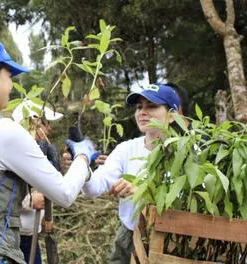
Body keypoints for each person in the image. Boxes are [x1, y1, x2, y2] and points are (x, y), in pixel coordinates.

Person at [0, 33, 98, 264]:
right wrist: (83, 157)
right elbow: (64, 193)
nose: (11, 85)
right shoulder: (2, 130)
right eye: (9, 75)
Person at [64, 83, 186, 263]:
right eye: (139, 107)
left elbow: (188, 200)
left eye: (151, 106)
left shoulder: (187, 152)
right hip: (129, 235)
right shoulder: (126, 149)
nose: (142, 112)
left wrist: (142, 191)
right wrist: (82, 166)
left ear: (172, 116)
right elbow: (95, 188)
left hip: (172, 240)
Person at [12, 100, 63, 264]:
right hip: (12, 237)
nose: (49, 128)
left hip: (30, 234)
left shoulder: (39, 150)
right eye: (45, 123)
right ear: (31, 123)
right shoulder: (13, 151)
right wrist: (29, 200)